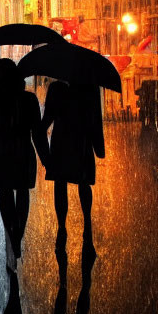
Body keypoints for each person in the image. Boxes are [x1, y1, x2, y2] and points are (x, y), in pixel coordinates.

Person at [0, 58, 49, 270]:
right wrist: (46, 158)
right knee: (23, 193)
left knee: (5, 194)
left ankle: (11, 229)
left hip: (0, 152)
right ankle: (18, 236)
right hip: (23, 151)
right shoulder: (29, 99)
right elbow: (38, 134)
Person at [41, 80, 105, 259]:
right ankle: (87, 225)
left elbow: (47, 118)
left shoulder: (56, 88)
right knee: (83, 183)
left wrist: (44, 151)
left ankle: (62, 226)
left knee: (60, 184)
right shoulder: (90, 86)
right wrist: (99, 148)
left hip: (61, 141)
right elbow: (95, 119)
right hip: (82, 141)